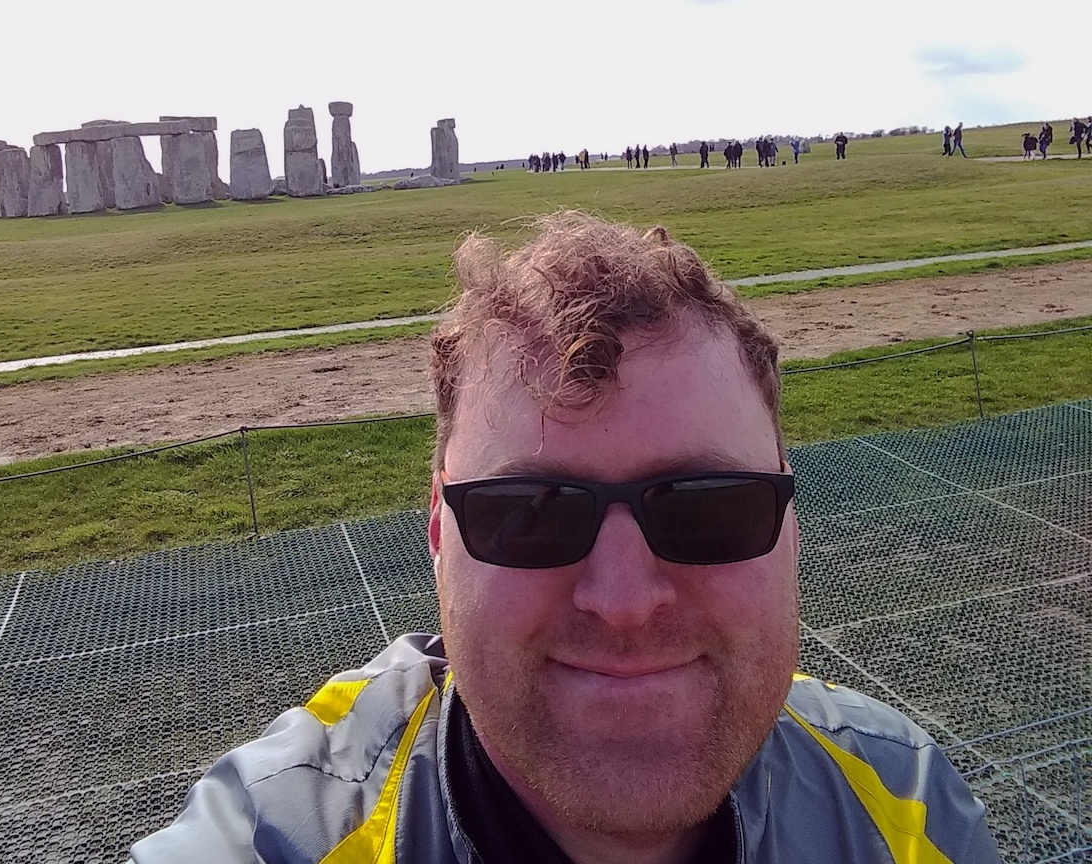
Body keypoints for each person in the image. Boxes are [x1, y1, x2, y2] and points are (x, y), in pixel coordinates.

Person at [127, 212, 1001, 864]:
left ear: (791, 527)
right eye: (528, 513)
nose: (623, 602)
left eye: (708, 506)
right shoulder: (270, 839)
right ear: (438, 529)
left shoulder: (915, 810)